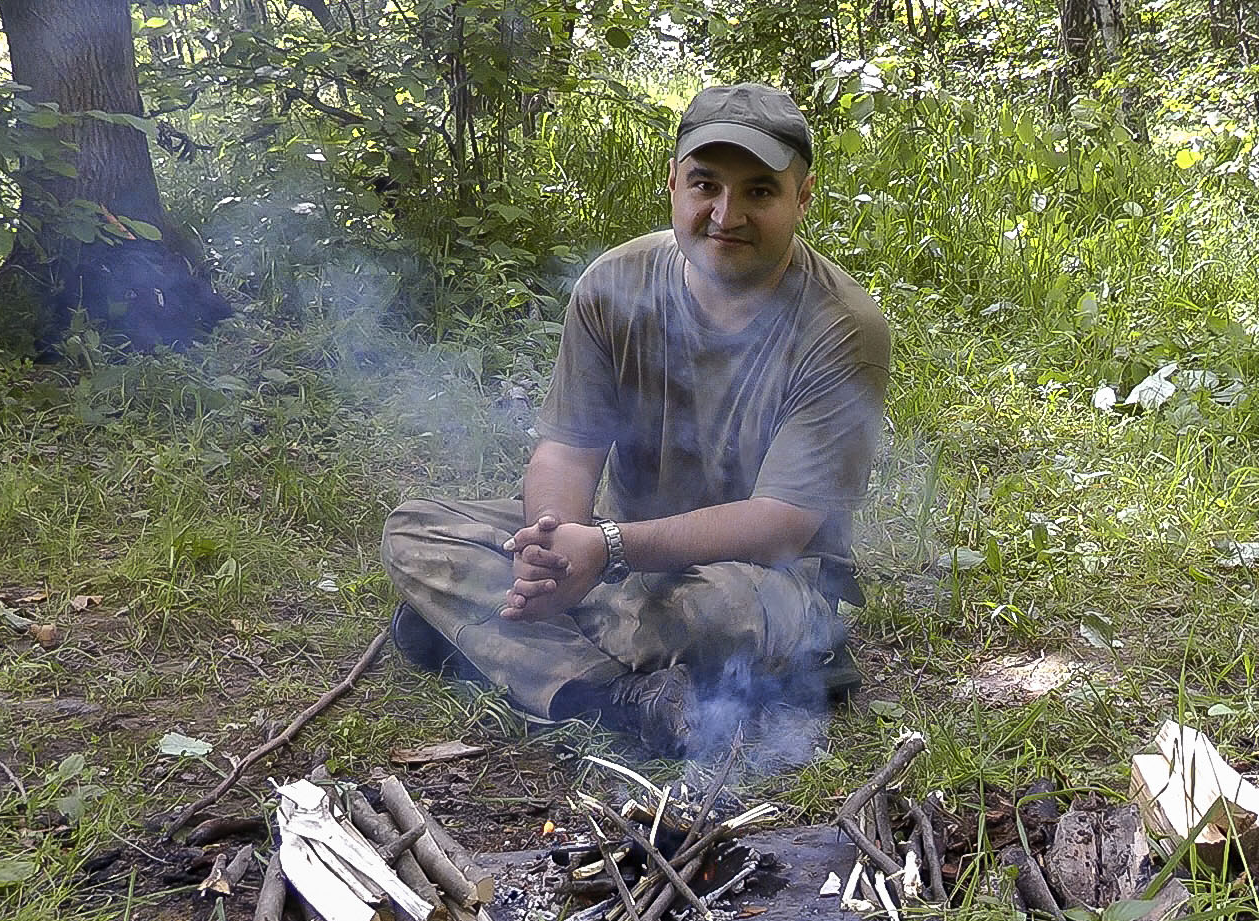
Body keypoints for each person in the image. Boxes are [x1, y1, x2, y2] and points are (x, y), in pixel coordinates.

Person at [380, 83, 890, 757]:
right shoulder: (613, 285)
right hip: (610, 550)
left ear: (803, 197)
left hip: (757, 573)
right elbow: (567, 449)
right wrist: (552, 547)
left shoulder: (843, 327)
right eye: (705, 185)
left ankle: (487, 638)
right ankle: (618, 698)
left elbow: (782, 523)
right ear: (673, 183)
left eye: (760, 192)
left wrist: (606, 553)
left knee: (697, 610)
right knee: (415, 529)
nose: (725, 214)